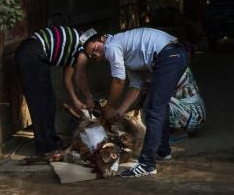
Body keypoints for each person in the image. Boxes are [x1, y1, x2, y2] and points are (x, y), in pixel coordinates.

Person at [81, 27, 188, 178]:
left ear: (102, 39)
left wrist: (110, 107)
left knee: (154, 110)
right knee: (156, 107)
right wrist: (120, 111)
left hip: (169, 55)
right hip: (174, 54)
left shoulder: (112, 46)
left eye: (95, 48)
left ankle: (146, 164)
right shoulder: (126, 54)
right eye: (92, 55)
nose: (96, 54)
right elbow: (135, 86)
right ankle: (163, 151)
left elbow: (118, 80)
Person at [15, 26, 97, 157]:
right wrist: (89, 97)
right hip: (33, 52)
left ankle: (49, 142)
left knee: (48, 101)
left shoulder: (74, 50)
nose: (93, 54)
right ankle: (46, 147)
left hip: (32, 53)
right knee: (42, 102)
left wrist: (75, 101)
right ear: (90, 40)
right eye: (94, 49)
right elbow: (80, 76)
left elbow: (68, 79)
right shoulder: (82, 46)